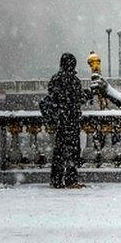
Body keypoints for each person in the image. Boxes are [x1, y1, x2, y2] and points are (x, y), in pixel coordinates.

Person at [40, 53, 92, 188]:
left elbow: (54, 97)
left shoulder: (55, 79)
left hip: (60, 121)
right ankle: (71, 179)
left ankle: (56, 180)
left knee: (59, 151)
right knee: (73, 151)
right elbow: (77, 98)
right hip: (71, 120)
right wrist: (88, 94)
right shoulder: (73, 80)